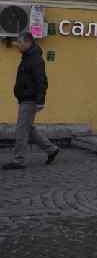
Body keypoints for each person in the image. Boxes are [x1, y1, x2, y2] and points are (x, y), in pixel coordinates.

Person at [3, 33, 59, 170]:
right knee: (28, 128)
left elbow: (41, 81)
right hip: (25, 98)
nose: (17, 45)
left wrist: (40, 100)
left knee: (21, 130)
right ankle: (51, 149)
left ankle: (19, 160)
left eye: (20, 43)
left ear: (28, 43)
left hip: (30, 99)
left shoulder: (35, 59)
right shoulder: (28, 57)